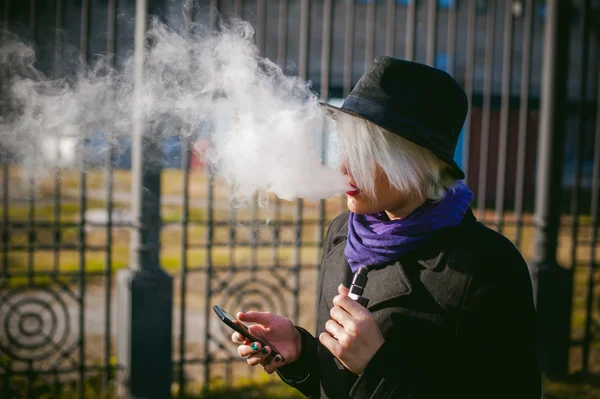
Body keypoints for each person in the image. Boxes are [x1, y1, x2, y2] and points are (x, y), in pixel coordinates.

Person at [230, 57, 541, 398]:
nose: (345, 167)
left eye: (366, 155)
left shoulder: (487, 264)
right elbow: (338, 386)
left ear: (414, 162)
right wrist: (300, 353)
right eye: (346, 149)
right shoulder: (342, 233)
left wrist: (379, 366)